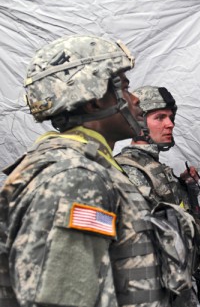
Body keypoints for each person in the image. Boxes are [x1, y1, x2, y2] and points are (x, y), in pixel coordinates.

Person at [0, 35, 175, 306]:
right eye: (126, 88)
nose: (136, 99)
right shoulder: (77, 178)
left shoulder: (87, 166)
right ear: (94, 101)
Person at [115, 86, 200, 307]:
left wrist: (184, 187)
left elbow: (171, 211)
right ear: (138, 122)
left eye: (171, 117)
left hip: (174, 285)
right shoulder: (129, 169)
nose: (170, 124)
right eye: (160, 117)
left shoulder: (153, 167)